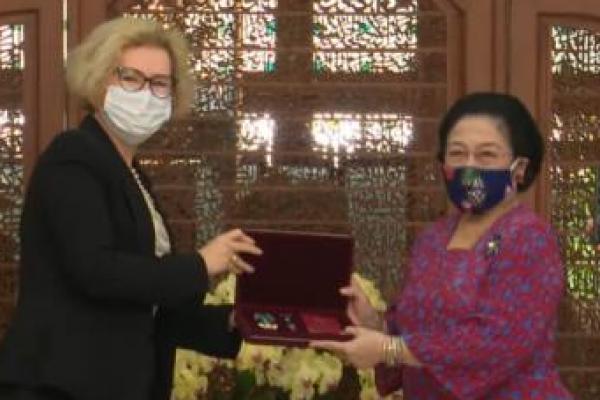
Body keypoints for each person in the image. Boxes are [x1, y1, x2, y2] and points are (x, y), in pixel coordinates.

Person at [0, 17, 262, 400]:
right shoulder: (73, 156)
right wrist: (201, 265)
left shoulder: (132, 176)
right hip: (61, 385)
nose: (146, 93)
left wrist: (235, 321)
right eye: (131, 78)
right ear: (99, 81)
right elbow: (97, 271)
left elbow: (145, 306)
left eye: (159, 84)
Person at [311, 93, 573, 399]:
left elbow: (497, 342)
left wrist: (388, 349)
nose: (469, 166)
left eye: (486, 155)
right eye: (457, 153)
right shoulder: (433, 238)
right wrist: (373, 322)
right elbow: (416, 330)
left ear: (520, 168)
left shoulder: (529, 237)